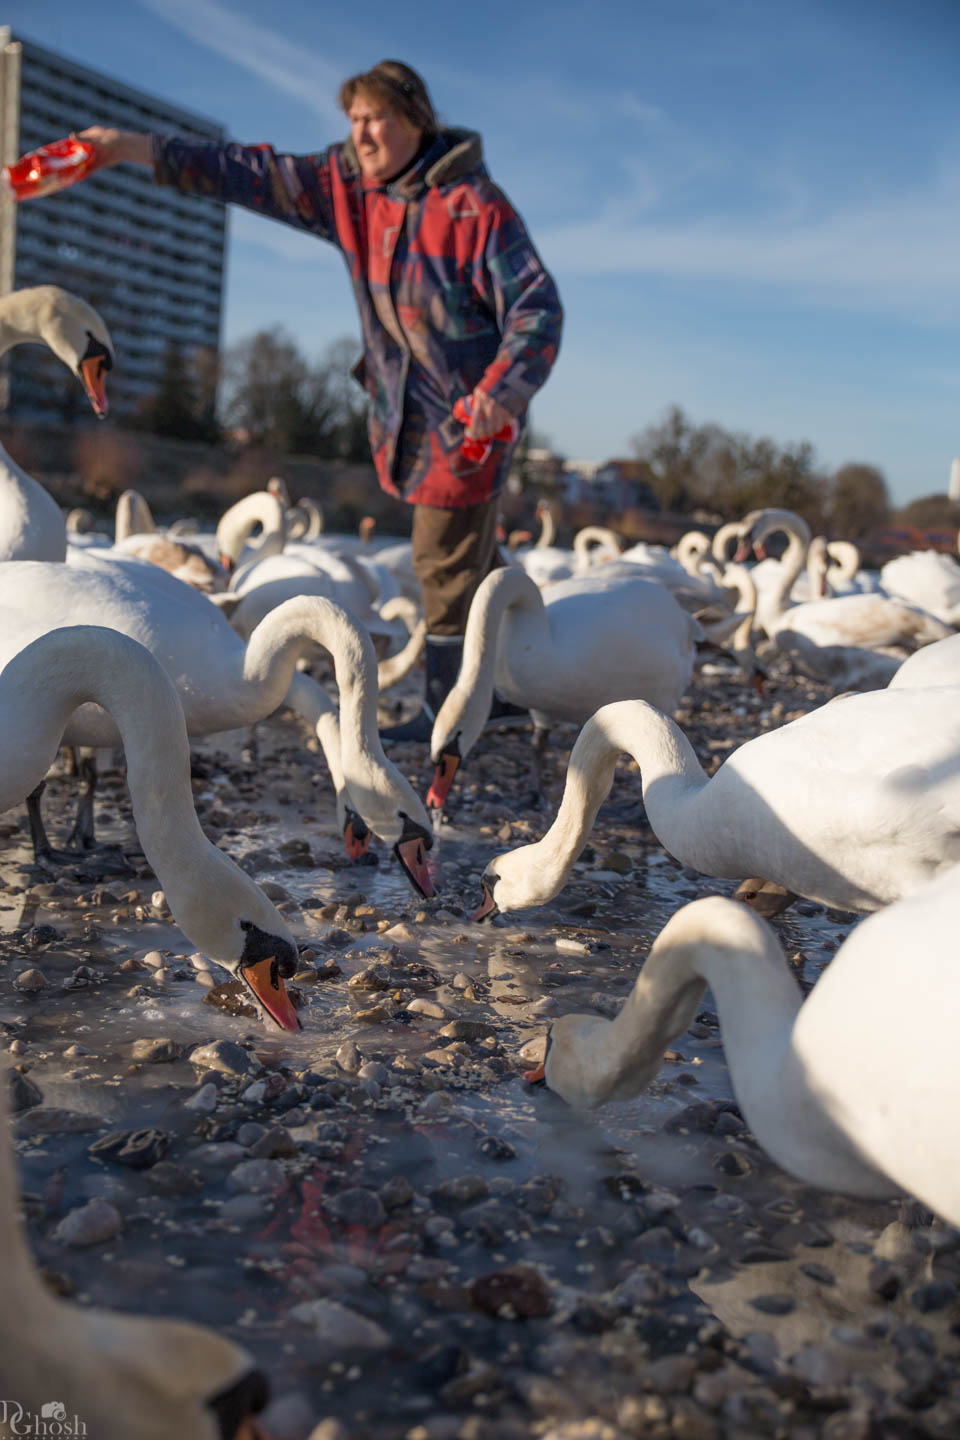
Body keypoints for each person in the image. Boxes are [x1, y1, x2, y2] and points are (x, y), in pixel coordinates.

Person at [74, 59, 563, 742]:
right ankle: (512, 689)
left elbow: (536, 308)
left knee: (442, 552)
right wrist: (129, 147)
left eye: (376, 118)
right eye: (353, 120)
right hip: (405, 413)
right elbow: (246, 170)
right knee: (472, 559)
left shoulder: (474, 207)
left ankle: (448, 714)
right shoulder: (348, 189)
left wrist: (501, 391)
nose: (361, 133)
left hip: (471, 414)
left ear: (416, 120)